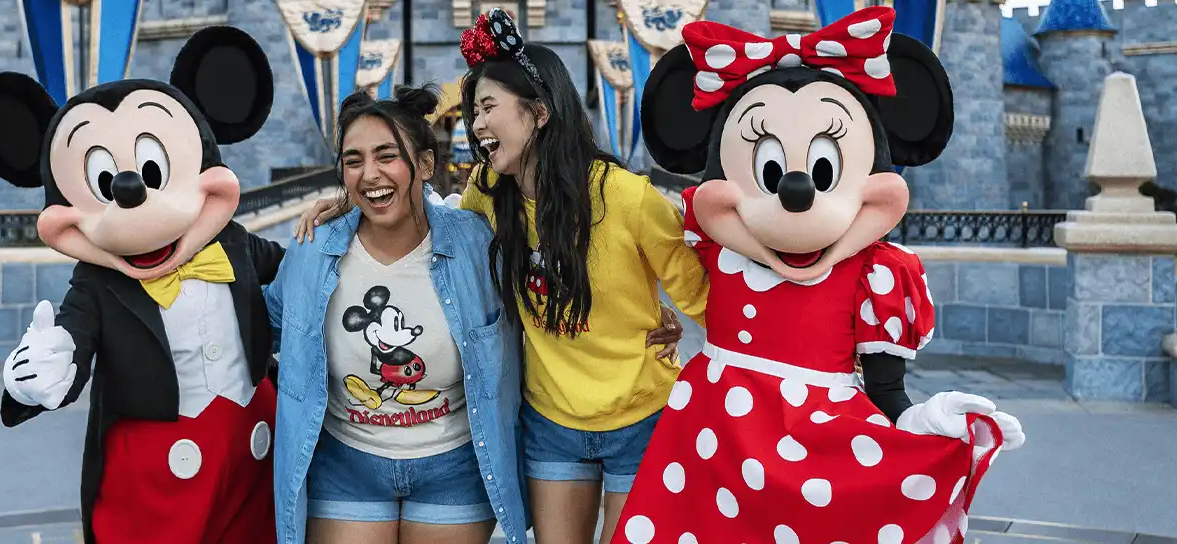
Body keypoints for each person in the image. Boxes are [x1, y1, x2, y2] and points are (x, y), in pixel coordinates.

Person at [607, 9, 1026, 543]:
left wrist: (927, 425)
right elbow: (640, 260)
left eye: (823, 170)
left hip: (816, 451)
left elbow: (887, 393)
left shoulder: (876, 274)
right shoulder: (715, 246)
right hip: (710, 443)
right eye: (771, 171)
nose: (796, 191)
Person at [295, 9, 706, 544]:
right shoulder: (489, 194)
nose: (476, 125)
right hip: (551, 424)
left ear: (539, 112)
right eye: (473, 112)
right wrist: (349, 205)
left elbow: (705, 296)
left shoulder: (627, 197)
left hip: (641, 417)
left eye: (488, 108)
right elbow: (428, 224)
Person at [0, 27, 283, 543]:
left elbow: (303, 278)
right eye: (104, 183)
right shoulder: (97, 282)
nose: (131, 192)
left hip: (253, 458)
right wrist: (41, 372)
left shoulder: (233, 244)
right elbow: (74, 340)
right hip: (156, 482)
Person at [262, 85, 525, 544]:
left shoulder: (476, 245)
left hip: (454, 466)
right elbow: (263, 325)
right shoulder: (312, 250)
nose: (370, 174)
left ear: (424, 164)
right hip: (345, 465)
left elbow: (541, 306)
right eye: (354, 161)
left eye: (387, 156)